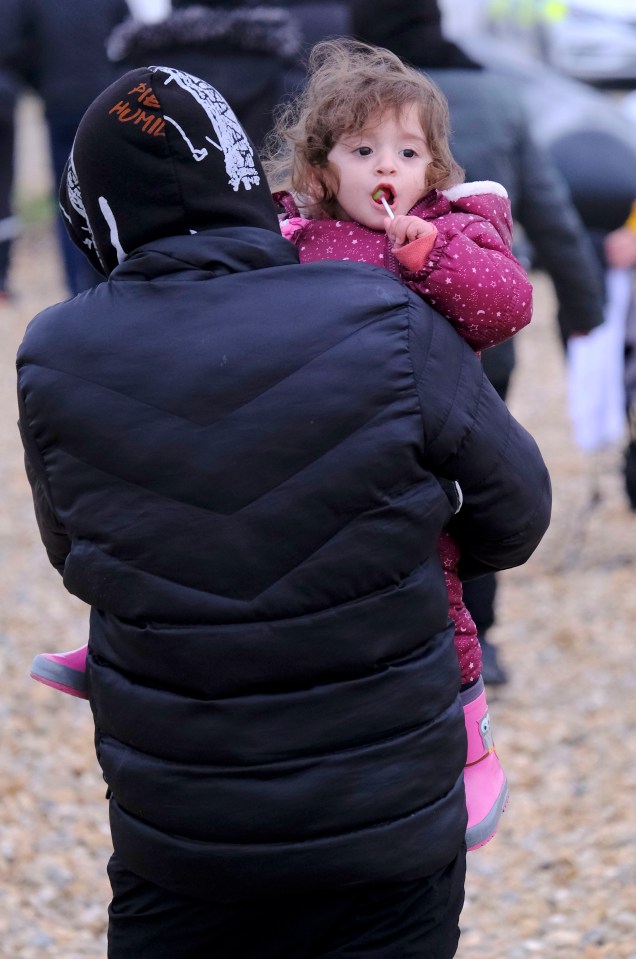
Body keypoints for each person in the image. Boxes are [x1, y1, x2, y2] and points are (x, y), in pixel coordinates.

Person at [17, 66, 551, 957]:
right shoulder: (382, 312)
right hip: (383, 818)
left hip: (183, 831)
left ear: (94, 209)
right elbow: (518, 512)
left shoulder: (57, 350)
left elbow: (78, 553)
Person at [263, 37, 534, 848]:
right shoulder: (295, 234)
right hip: (311, 449)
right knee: (229, 534)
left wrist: (432, 255)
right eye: (363, 148)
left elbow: (505, 308)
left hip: (412, 451)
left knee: (438, 585)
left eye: (407, 150)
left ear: (433, 170)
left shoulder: (457, 230)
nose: (388, 165)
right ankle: (131, 641)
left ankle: (469, 733)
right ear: (322, 170)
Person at [351, 0, 605, 685]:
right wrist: (585, 309)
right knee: (474, 480)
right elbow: (548, 211)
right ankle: (478, 639)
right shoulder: (497, 95)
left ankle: (390, 640)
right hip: (479, 336)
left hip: (359, 347)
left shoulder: (345, 110)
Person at [0, 0, 130, 296]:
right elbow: (127, 40)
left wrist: (40, 84)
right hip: (106, 101)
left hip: (60, 104)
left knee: (69, 199)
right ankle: (112, 280)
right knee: (109, 194)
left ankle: (78, 290)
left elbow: (18, 48)